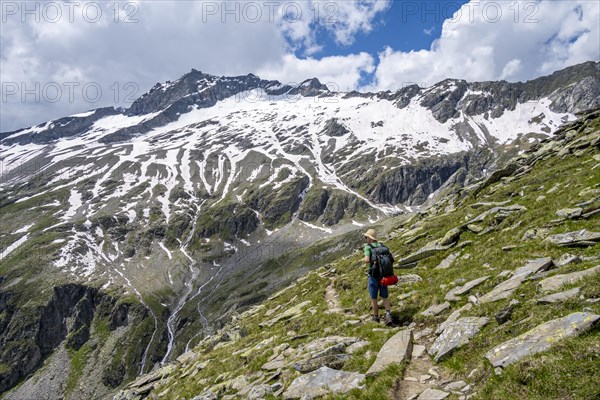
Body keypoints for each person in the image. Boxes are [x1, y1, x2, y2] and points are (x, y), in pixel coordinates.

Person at [362, 229, 393, 325]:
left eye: (366, 237)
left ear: (369, 238)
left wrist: (366, 259)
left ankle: (376, 317)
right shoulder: (382, 246)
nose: (365, 238)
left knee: (373, 298)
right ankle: (388, 315)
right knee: (385, 296)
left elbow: (367, 260)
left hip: (373, 275)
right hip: (383, 275)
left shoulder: (368, 247)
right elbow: (392, 259)